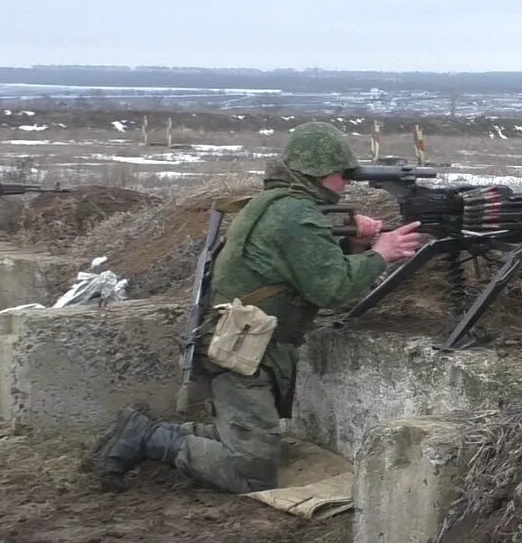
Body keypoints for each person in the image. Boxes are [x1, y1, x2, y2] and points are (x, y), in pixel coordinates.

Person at [92, 123, 424, 494]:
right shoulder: (295, 215)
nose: (347, 181)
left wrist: (354, 242)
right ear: (317, 172)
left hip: (242, 340)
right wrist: (381, 254)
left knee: (251, 439)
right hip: (242, 349)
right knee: (251, 471)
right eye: (341, 173)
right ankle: (150, 438)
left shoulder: (282, 203)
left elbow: (305, 265)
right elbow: (332, 289)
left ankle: (143, 431)